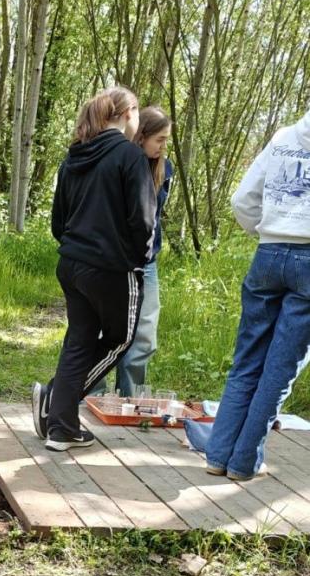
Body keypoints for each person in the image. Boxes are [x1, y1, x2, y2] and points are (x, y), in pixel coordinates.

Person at [183, 108, 310, 481]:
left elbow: (241, 200)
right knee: (279, 369)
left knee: (247, 360)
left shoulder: (285, 136)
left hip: (268, 254)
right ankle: (242, 464)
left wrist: (268, 233)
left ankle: (217, 456)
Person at [32, 86, 157, 450]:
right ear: (128, 113)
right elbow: (143, 220)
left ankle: (62, 428)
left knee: (80, 339)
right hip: (112, 269)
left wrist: (77, 246)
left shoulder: (74, 156)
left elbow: (59, 220)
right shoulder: (129, 157)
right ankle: (58, 402)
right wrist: (138, 259)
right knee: (121, 339)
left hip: (71, 264)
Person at [96, 107, 173, 396]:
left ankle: (130, 399)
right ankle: (93, 396)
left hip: (147, 263)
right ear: (141, 136)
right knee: (103, 331)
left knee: (144, 337)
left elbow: (154, 217)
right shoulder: (118, 163)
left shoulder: (166, 170)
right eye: (159, 139)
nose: (163, 146)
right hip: (113, 260)